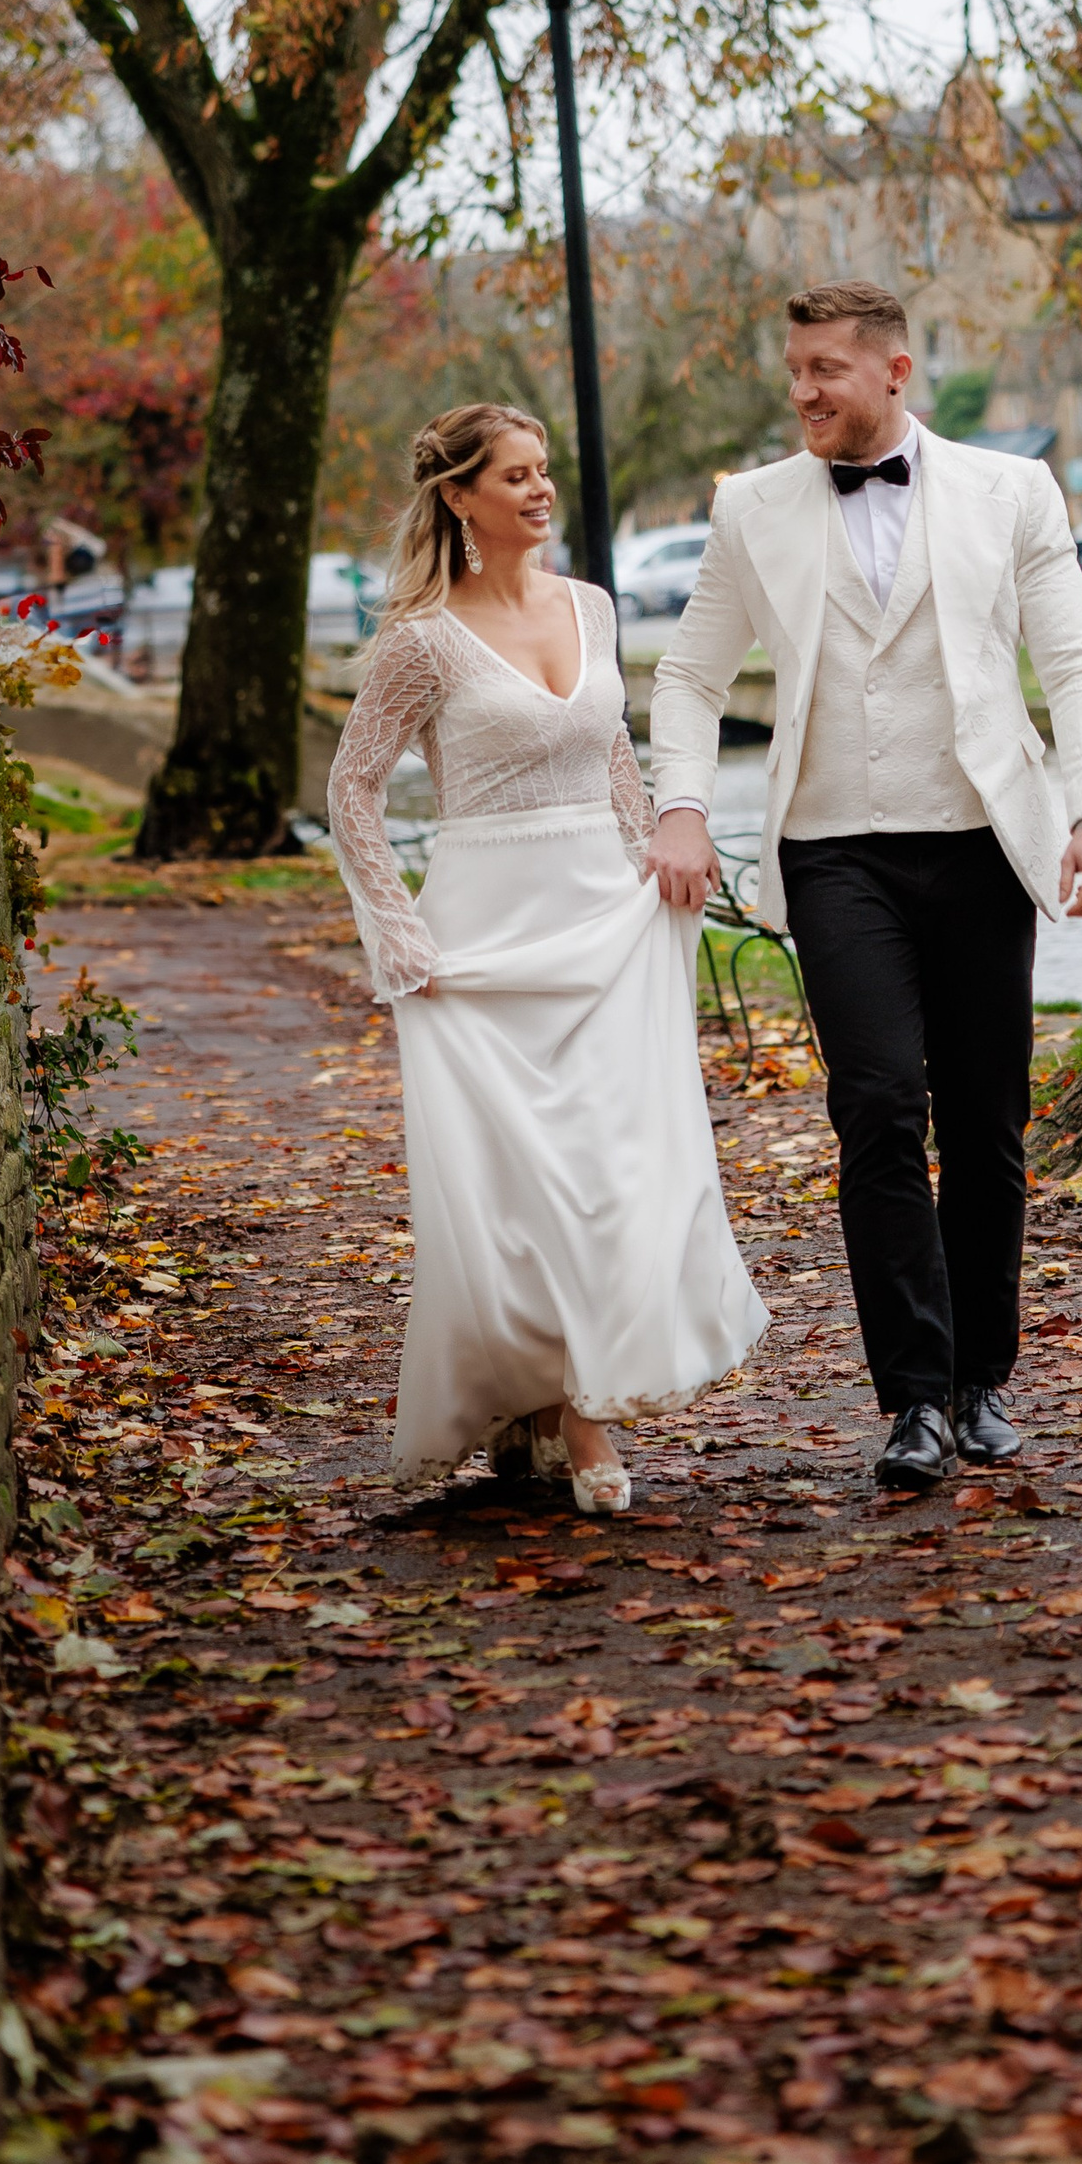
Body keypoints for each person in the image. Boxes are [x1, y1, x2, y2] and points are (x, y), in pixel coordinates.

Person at [648, 281, 1082, 1494]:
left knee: (985, 1122)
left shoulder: (1010, 490)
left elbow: (1072, 659)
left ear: (894, 372)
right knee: (873, 1106)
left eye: (825, 370)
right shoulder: (752, 509)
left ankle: (982, 1382)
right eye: (794, 370)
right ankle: (911, 1395)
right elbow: (690, 677)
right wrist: (683, 805)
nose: (802, 391)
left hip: (979, 843)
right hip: (834, 849)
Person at [328, 403, 768, 1510]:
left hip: (603, 921)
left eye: (543, 473)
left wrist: (660, 852)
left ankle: (579, 1404)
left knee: (609, 1168)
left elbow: (613, 750)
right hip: (482, 936)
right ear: (460, 497)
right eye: (513, 476)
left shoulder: (593, 606)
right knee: (517, 1186)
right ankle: (548, 1408)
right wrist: (395, 925)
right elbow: (352, 789)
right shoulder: (421, 640)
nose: (537, 491)